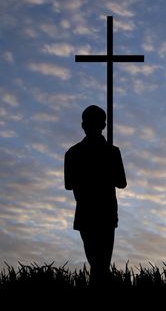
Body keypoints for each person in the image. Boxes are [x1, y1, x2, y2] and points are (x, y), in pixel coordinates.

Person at [64, 105, 127, 286]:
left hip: (101, 212)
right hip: (91, 211)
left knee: (99, 263)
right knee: (99, 263)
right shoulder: (74, 153)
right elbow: (69, 184)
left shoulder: (110, 152)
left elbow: (121, 182)